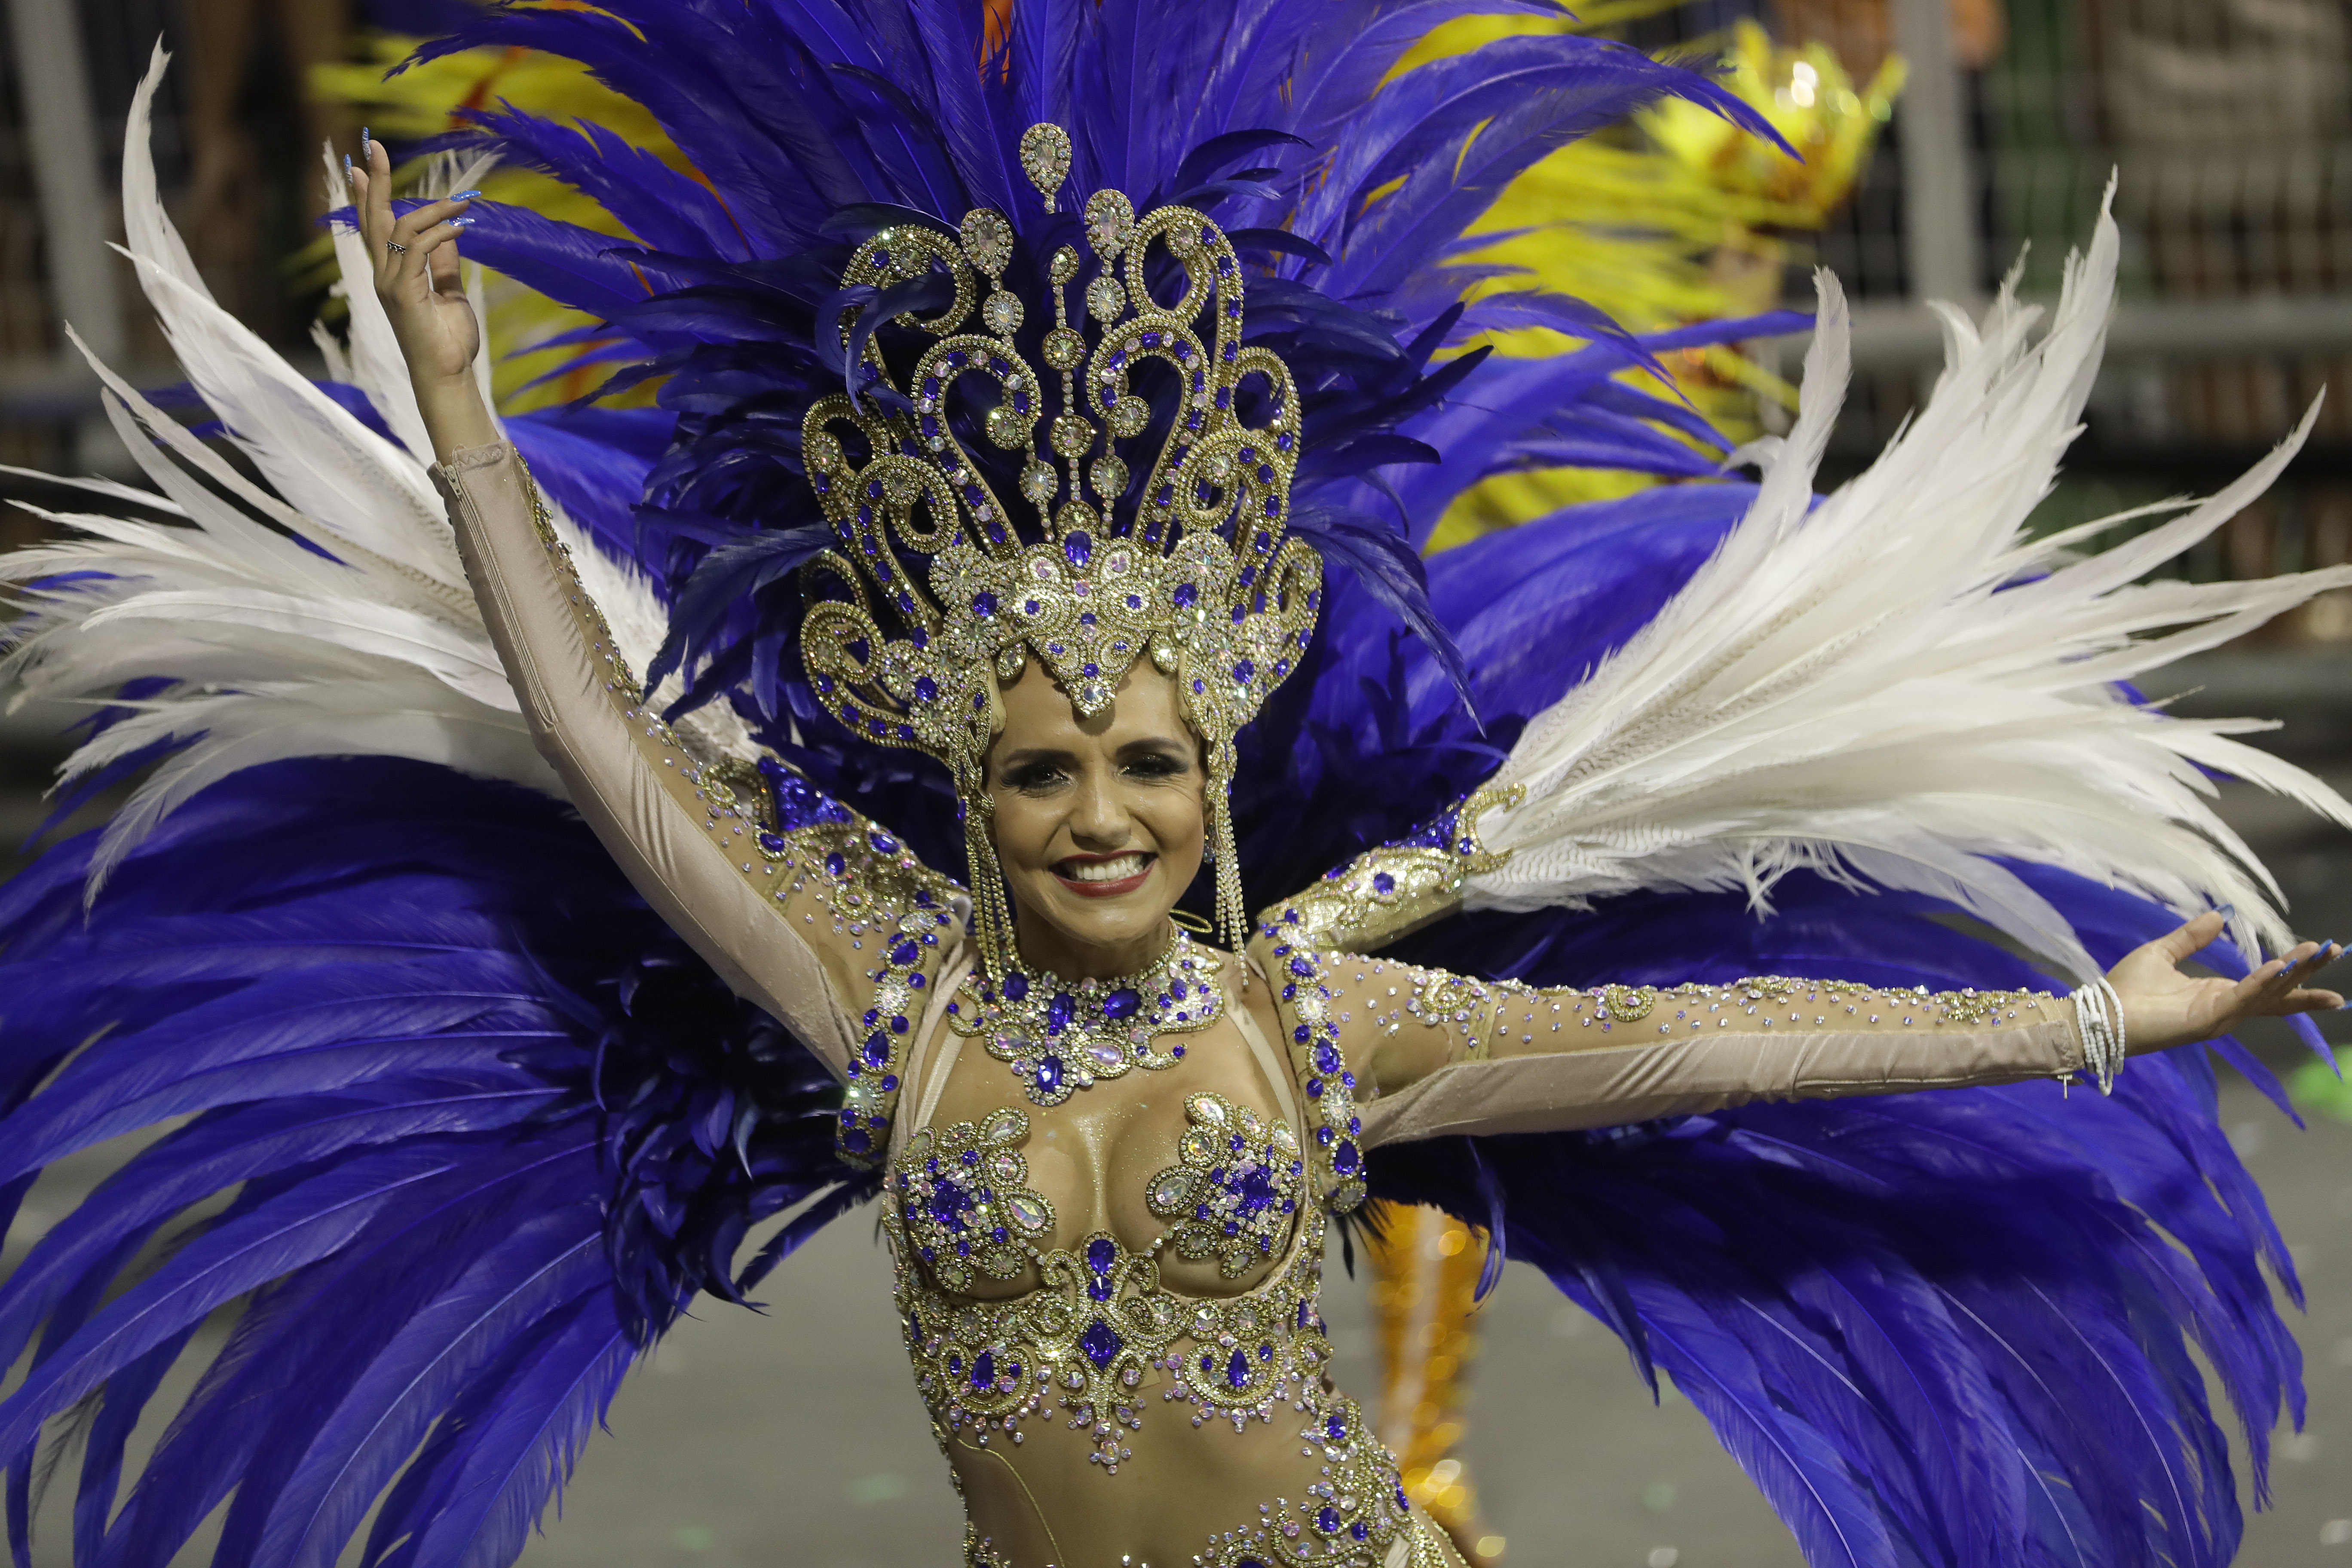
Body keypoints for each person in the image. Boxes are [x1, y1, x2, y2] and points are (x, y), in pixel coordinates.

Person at [3, 9, 2349, 1567]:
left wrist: (2087, 1025)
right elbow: (608, 751)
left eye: (1141, 762)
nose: (1099, 812)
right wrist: (468, 423)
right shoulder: (882, 1005)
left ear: (1208, 769)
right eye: (1041, 769)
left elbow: (1721, 1043)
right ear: (974, 784)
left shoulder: (1311, 1027)